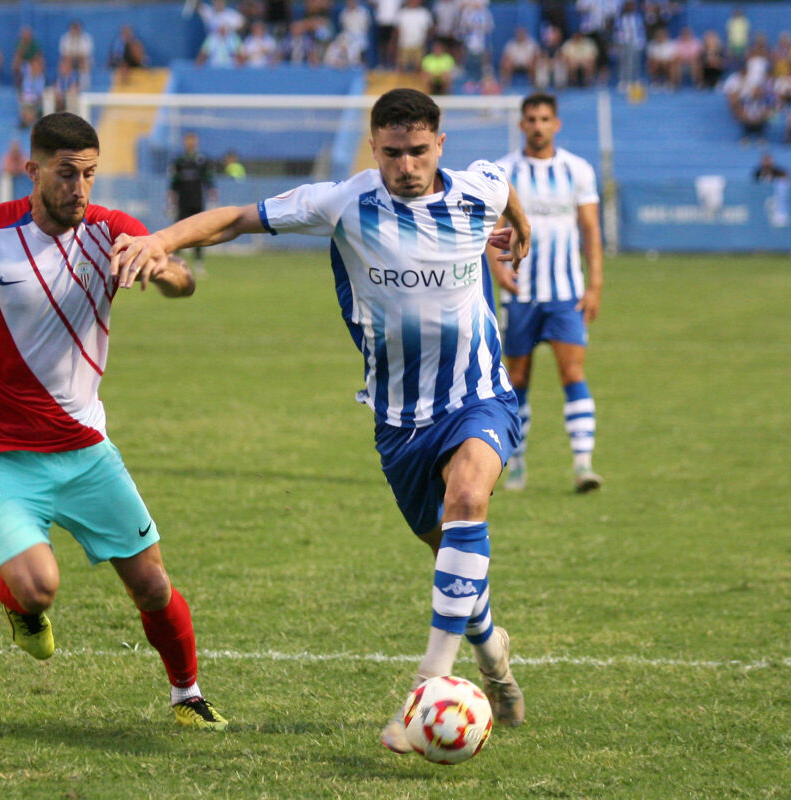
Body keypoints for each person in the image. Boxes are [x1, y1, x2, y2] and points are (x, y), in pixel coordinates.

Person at [112, 88, 531, 747]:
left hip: (479, 396)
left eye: (418, 151)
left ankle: (426, 686)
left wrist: (520, 238)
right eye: (392, 152)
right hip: (399, 424)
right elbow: (237, 218)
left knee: (469, 498)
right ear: (374, 148)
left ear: (439, 146)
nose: (406, 165)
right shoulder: (346, 203)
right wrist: (157, 239)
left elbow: (507, 197)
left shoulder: (475, 188)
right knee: (449, 551)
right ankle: (491, 652)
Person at [0, 111, 227, 731]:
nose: (80, 189)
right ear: (32, 171)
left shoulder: (114, 231)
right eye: (66, 175)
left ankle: (187, 695)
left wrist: (163, 266)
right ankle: (21, 608)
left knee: (152, 586)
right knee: (38, 586)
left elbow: (184, 280)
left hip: (86, 450)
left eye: (89, 174)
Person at [489, 93, 603, 494]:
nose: (537, 125)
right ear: (522, 125)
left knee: (572, 371)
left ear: (556, 124)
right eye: (531, 119)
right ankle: (516, 463)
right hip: (520, 293)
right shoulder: (503, 171)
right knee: (516, 378)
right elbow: (492, 228)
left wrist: (595, 285)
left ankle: (583, 465)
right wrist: (497, 270)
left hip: (566, 293)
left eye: (544, 119)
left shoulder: (577, 169)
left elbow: (590, 230)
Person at [168, 131, 216, 276]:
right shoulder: (179, 161)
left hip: (197, 200)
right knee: (178, 231)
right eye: (188, 140)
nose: (190, 143)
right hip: (183, 201)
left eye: (193, 140)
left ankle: (198, 263)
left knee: (200, 231)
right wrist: (171, 199)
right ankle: (176, 262)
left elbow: (208, 180)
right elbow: (173, 183)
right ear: (184, 142)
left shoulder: (202, 159)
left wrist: (212, 192)